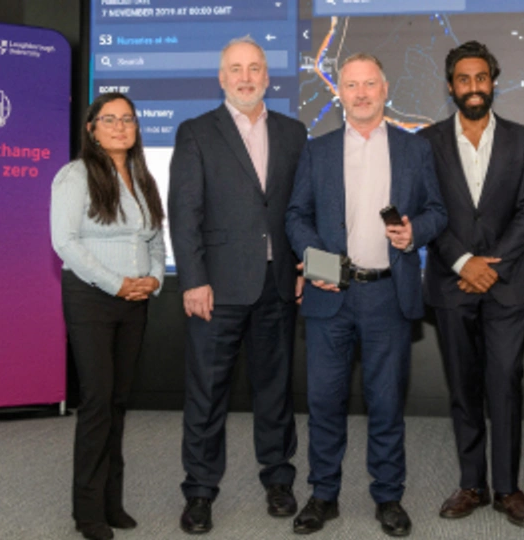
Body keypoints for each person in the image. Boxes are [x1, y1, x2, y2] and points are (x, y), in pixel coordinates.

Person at [285, 53, 447, 537]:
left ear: (384, 88)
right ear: (340, 91)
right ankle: (323, 494)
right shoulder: (318, 150)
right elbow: (296, 216)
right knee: (325, 401)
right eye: (351, 84)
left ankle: (388, 497)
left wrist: (416, 230)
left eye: (369, 84)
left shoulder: (414, 149)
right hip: (329, 293)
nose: (360, 93)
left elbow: (437, 211)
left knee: (385, 402)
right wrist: (316, 263)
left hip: (386, 296)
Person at [168, 36, 307, 534]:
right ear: (222, 78)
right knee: (206, 394)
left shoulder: (294, 133)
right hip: (217, 290)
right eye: (236, 69)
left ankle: (278, 478)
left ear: (268, 76)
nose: (246, 77)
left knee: (275, 391)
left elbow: (300, 211)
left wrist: (303, 269)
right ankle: (200, 490)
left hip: (276, 286)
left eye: (255, 68)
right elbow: (184, 214)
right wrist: (193, 280)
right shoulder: (196, 132)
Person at [417, 41, 524, 528]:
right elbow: (427, 209)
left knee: (505, 382)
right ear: (451, 87)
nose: (473, 87)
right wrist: (464, 261)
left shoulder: (523, 139)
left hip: (507, 284)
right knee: (464, 387)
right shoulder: (425, 143)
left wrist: (492, 263)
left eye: (481, 78)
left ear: (494, 81)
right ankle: (472, 483)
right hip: (451, 284)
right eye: (464, 79)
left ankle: (508, 489)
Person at [51, 92, 166, 540]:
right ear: (92, 128)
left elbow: (155, 238)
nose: (120, 127)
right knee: (98, 403)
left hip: (136, 301)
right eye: (110, 119)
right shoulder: (74, 176)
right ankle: (87, 512)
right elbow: (65, 242)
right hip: (92, 299)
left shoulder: (142, 177)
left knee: (118, 403)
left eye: (128, 119)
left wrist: (153, 278)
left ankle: (111, 502)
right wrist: (116, 283)